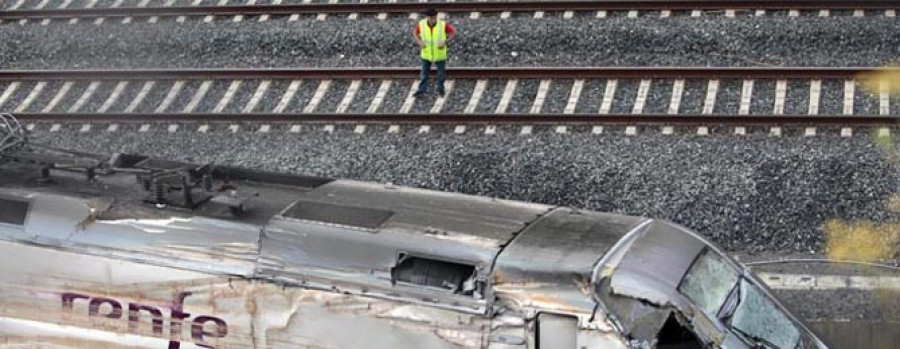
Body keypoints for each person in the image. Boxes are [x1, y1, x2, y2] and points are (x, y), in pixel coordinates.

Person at [413, 8, 455, 97]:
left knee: (441, 75)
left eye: (433, 17)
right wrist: (420, 42)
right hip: (426, 53)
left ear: (436, 16)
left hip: (439, 54)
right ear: (427, 17)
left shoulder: (442, 25)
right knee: (424, 74)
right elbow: (415, 33)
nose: (431, 19)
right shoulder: (422, 24)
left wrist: (445, 41)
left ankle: (440, 90)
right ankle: (421, 90)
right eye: (429, 17)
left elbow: (453, 32)